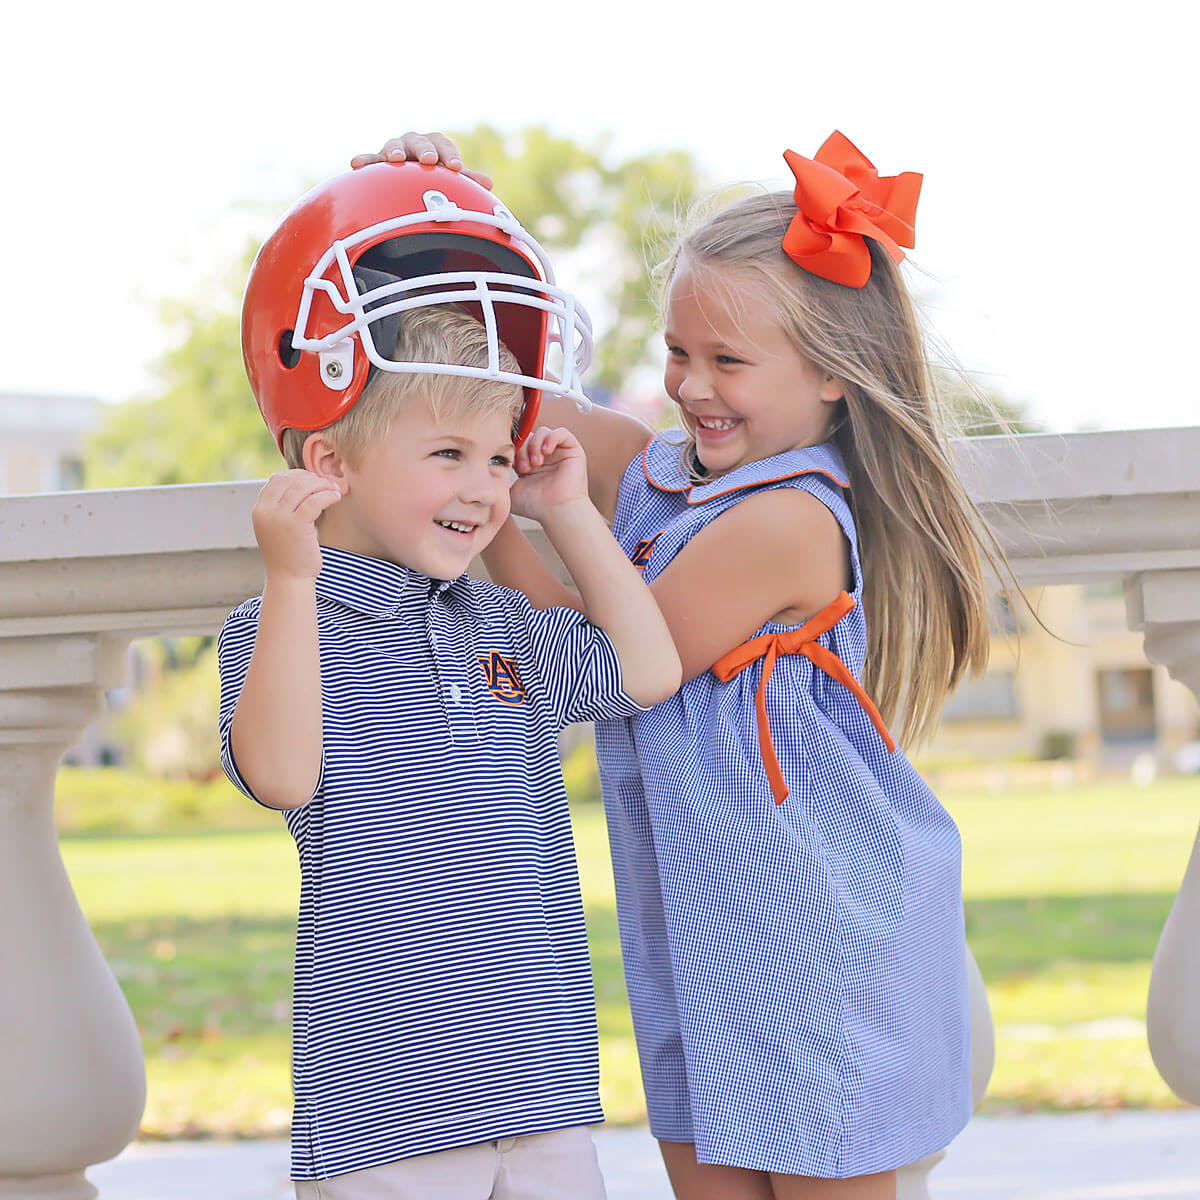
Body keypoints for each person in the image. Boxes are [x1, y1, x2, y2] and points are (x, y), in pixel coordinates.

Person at [359, 132, 1005, 1200]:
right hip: (694, 924)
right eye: (677, 353)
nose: (691, 386)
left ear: (837, 379)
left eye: (728, 362)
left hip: (811, 938)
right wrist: (441, 219)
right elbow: (486, 392)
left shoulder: (792, 521)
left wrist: (509, 515)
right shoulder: (657, 473)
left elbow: (613, 658)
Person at [218, 160, 681, 1200]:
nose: (482, 488)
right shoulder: (278, 624)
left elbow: (649, 669)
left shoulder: (499, 624)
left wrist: (563, 512)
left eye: (495, 458)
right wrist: (292, 580)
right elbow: (284, 778)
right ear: (329, 462)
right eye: (448, 455)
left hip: (545, 1097)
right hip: (386, 1122)